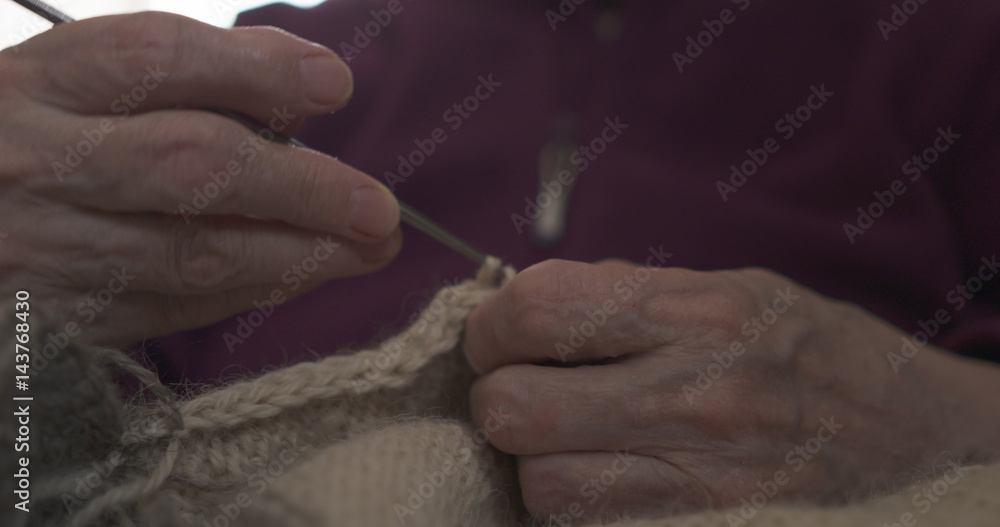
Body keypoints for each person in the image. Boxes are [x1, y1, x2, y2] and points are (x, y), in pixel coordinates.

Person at [1, 0, 998, 522]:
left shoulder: (949, 46)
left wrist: (942, 417)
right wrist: (14, 323)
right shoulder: (267, 78)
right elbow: (36, 467)